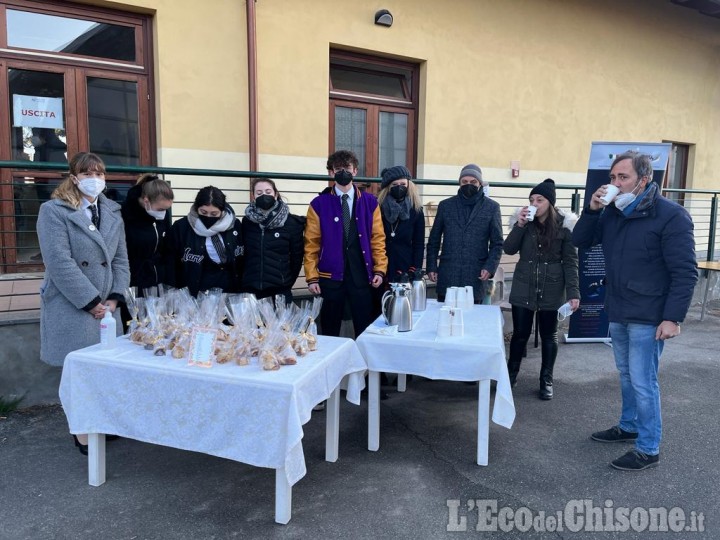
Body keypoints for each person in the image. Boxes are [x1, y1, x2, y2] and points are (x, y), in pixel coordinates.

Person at [572, 151, 697, 471]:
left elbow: (685, 272)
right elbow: (581, 240)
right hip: (619, 308)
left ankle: (648, 447)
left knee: (643, 381)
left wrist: (673, 317)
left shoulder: (671, 215)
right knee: (627, 375)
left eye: (622, 177)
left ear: (644, 180)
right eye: (612, 177)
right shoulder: (613, 212)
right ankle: (628, 427)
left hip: (650, 313)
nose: (614, 183)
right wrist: (592, 209)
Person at [36, 152, 129, 454]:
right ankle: (81, 430)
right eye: (87, 173)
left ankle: (101, 421)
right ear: (74, 177)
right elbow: (59, 262)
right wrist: (90, 302)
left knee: (104, 371)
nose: (95, 179)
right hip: (73, 303)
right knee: (77, 372)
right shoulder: (54, 211)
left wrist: (116, 297)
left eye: (100, 173)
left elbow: (120, 259)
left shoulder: (112, 210)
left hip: (107, 306)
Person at [504, 179, 580, 400]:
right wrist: (518, 225)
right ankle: (510, 375)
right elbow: (508, 249)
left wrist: (574, 293)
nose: (534, 203)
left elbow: (571, 261)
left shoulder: (565, 227)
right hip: (523, 286)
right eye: (531, 200)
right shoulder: (524, 223)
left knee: (549, 335)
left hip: (553, 288)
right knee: (519, 335)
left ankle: (546, 380)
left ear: (550, 203)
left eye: (540, 199)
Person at [304, 150, 387, 338]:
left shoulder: (370, 202)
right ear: (331, 173)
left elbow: (378, 239)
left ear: (355, 171)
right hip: (330, 277)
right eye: (338, 169)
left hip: (361, 275)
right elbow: (311, 244)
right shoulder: (318, 204)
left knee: (365, 328)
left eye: (347, 168)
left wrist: (380, 270)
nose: (343, 172)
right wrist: (312, 277)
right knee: (329, 327)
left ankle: (366, 366)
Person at [426, 163, 504, 303]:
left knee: (472, 320)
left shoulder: (492, 207)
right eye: (465, 182)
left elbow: (497, 243)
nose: (469, 184)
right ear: (459, 183)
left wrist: (489, 267)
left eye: (473, 182)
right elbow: (434, 240)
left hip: (476, 275)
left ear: (480, 183)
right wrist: (431, 266)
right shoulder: (445, 206)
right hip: (448, 273)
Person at [165, 186, 243, 296]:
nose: (208, 216)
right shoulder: (181, 227)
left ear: (222, 210)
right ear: (196, 207)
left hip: (230, 290)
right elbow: (170, 261)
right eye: (203, 212)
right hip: (196, 292)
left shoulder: (235, 225)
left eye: (214, 214)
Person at [241, 178, 305, 304]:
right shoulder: (247, 222)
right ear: (253, 196)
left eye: (268, 191)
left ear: (275, 194)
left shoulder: (291, 223)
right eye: (259, 193)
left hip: (280, 291)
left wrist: (285, 281)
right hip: (251, 290)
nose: (264, 195)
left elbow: (296, 258)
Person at [121, 174, 174, 295]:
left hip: (158, 281)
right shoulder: (126, 216)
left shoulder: (158, 214)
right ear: (146, 201)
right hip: (134, 281)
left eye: (167, 209)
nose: (164, 213)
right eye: (161, 209)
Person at [376, 166, 426, 282]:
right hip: (381, 265)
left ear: (409, 185)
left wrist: (415, 268)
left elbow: (419, 243)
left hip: (406, 266)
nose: (399, 187)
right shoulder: (378, 208)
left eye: (403, 184)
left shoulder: (416, 211)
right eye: (394, 185)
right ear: (388, 187)